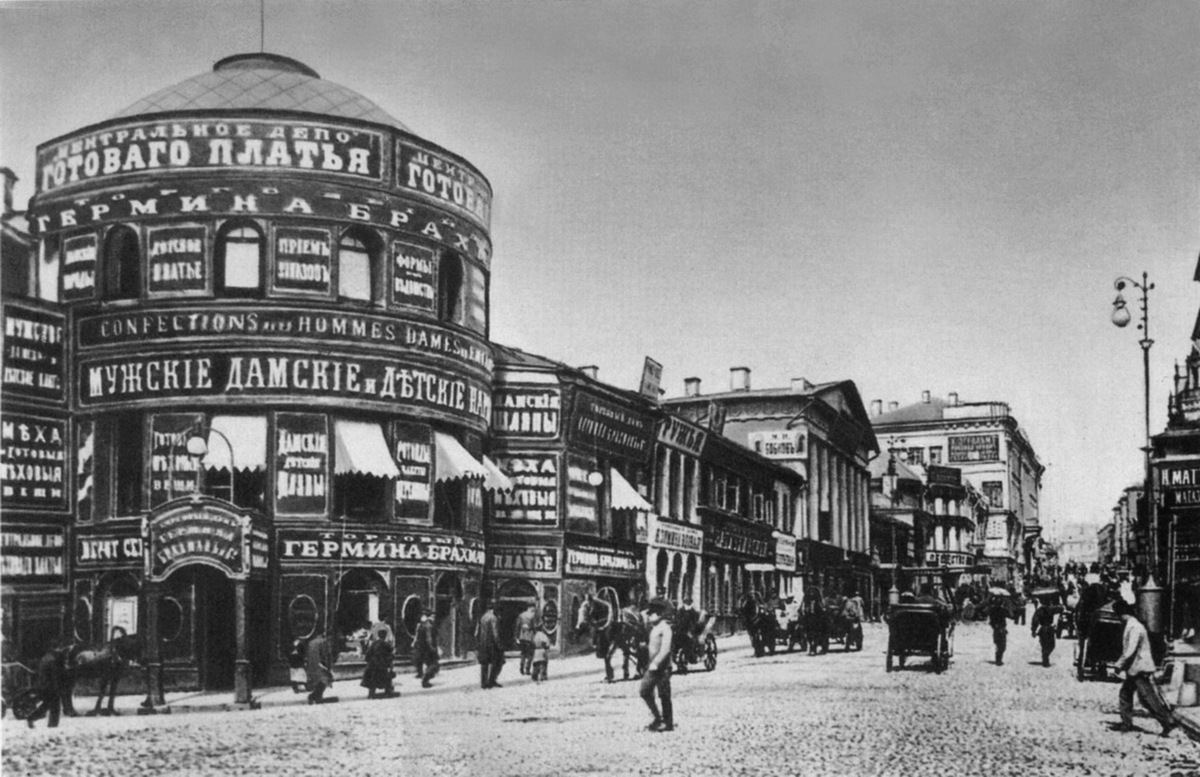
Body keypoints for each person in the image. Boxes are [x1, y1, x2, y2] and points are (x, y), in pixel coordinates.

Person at [1113, 598, 1179, 737]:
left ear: (1122, 614)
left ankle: (1167, 723)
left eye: (1118, 615)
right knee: (1125, 694)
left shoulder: (1134, 627)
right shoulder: (1132, 625)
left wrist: (1119, 665)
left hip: (1139, 668)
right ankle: (1126, 723)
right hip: (1135, 668)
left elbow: (1130, 650)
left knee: (1147, 698)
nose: (1118, 619)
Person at [640, 598, 674, 733]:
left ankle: (668, 722)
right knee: (644, 691)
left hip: (663, 667)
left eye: (652, 614)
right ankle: (657, 717)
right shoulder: (654, 629)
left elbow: (666, 649)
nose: (649, 616)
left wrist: (656, 663)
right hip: (653, 667)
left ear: (659, 615)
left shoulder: (666, 628)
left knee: (664, 694)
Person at [26, 646, 66, 729]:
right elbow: (54, 675)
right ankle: (52, 725)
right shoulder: (52, 660)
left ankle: (32, 717)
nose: (59, 651)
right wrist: (57, 687)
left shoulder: (46, 658)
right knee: (55, 705)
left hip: (43, 685)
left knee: (46, 705)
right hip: (50, 687)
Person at [361, 621, 398, 699]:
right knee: (387, 678)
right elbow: (391, 656)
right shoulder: (387, 645)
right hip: (382, 666)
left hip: (373, 665)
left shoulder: (374, 644)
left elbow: (368, 655)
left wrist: (369, 661)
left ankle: (371, 693)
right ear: (385, 636)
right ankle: (388, 692)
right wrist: (389, 663)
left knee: (372, 680)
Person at [475, 599, 504, 689]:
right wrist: (499, 644)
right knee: (498, 662)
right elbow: (495, 633)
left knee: (484, 663)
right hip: (491, 644)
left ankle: (484, 683)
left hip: (483, 643)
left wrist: (478, 642)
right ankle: (492, 681)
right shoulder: (493, 618)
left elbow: (476, 632)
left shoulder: (483, 617)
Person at [305, 631, 339, 705]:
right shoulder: (324, 642)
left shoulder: (311, 642)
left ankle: (315, 696)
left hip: (312, 665)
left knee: (319, 680)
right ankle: (315, 696)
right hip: (320, 665)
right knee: (325, 679)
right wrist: (328, 667)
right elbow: (326, 655)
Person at [413, 606, 439, 688]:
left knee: (429, 664)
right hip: (428, 649)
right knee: (434, 664)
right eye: (432, 616)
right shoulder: (428, 626)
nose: (433, 618)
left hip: (423, 648)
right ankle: (425, 679)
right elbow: (429, 638)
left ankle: (425, 678)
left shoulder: (422, 625)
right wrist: (432, 648)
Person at [1030, 597, 1059, 667]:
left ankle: (1045, 658)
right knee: (1051, 645)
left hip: (1042, 629)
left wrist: (1033, 630)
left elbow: (1035, 620)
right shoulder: (1051, 608)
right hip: (1049, 628)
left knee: (1044, 645)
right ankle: (1045, 659)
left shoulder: (1039, 610)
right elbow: (1061, 608)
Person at [987, 593, 1014, 666]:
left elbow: (1010, 615)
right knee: (1001, 646)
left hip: (998, 629)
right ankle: (998, 659)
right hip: (1000, 629)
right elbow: (1011, 615)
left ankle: (998, 658)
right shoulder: (1000, 610)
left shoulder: (995, 610)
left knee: (999, 645)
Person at [515, 603, 537, 676]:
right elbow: (534, 627)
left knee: (523, 653)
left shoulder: (521, 615)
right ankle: (527, 669)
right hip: (529, 637)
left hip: (522, 636)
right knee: (530, 654)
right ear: (531, 608)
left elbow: (517, 626)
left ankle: (521, 667)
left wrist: (517, 636)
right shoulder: (532, 616)